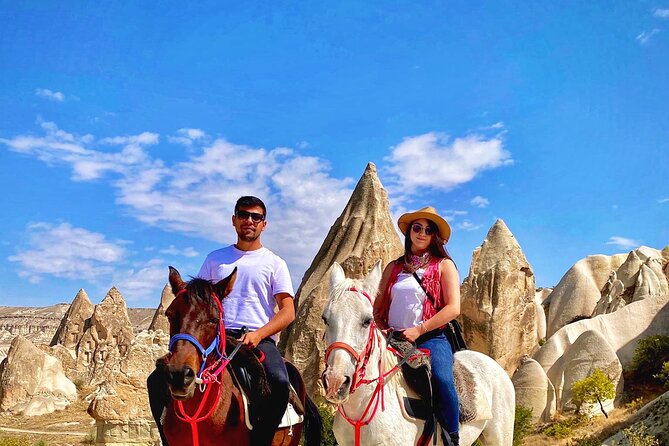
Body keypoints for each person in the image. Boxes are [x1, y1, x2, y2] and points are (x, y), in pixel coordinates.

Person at [147, 195, 295, 446]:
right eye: (243, 215)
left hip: (256, 340)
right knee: (155, 381)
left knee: (279, 382)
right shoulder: (215, 260)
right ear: (234, 220)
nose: (249, 221)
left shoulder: (274, 264)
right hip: (216, 337)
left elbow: (287, 311)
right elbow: (197, 300)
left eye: (255, 217)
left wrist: (259, 334)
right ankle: (167, 439)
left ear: (263, 224)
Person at [373, 206, 461, 446]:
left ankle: (452, 436)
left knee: (442, 379)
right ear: (410, 231)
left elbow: (453, 308)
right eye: (417, 227)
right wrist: (381, 327)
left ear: (434, 236)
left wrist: (419, 330)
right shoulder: (394, 268)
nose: (422, 233)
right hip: (393, 338)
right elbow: (377, 307)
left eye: (428, 229)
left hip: (431, 337)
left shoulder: (444, 265)